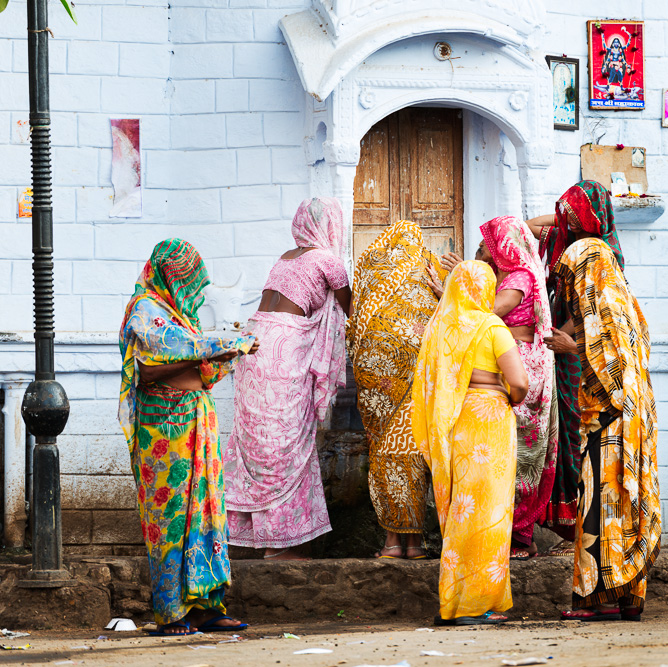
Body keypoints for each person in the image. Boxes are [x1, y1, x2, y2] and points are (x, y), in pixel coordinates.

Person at [119, 238, 257, 636]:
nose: (192, 293)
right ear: (169, 275)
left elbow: (193, 363)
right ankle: (171, 611)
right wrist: (217, 347)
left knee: (205, 515)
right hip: (163, 433)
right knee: (170, 521)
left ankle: (206, 606)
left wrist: (218, 355)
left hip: (197, 427)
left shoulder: (178, 317)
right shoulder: (145, 311)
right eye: (188, 282)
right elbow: (151, 367)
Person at [223, 198, 352, 560]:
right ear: (331, 226)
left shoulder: (286, 257)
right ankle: (282, 546)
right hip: (284, 348)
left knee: (259, 440)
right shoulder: (328, 261)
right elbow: (349, 307)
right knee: (287, 444)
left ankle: (254, 538)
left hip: (255, 343)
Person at [412, 261, 529, 626]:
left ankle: (454, 601)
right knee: (488, 513)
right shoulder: (492, 326)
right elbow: (520, 382)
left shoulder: (439, 327)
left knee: (461, 511)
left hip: (455, 423)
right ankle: (475, 605)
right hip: (488, 421)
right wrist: (508, 398)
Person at [554, 237, 660, 622]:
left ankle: (598, 598)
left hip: (612, 424)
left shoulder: (608, 304)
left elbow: (609, 376)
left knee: (601, 505)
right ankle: (630, 597)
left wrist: (571, 348)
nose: (572, 288)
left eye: (574, 277)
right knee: (626, 503)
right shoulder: (619, 301)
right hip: (633, 420)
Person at [525, 180, 626, 553]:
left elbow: (592, 316)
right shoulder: (563, 239)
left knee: (579, 439)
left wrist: (557, 338)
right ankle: (572, 530)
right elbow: (528, 226)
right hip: (558, 350)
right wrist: (562, 218)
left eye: (575, 212)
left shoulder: (603, 258)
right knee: (561, 436)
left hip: (579, 357)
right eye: (566, 210)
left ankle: (582, 530)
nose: (567, 218)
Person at [349, 220, 448, 559]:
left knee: (385, 456)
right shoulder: (429, 264)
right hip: (418, 380)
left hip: (377, 384)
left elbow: (353, 325)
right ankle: (416, 543)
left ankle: (392, 542)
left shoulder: (369, 266)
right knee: (416, 454)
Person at [478, 216, 558, 560]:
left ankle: (521, 537)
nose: (486, 248)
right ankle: (508, 532)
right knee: (505, 452)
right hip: (512, 364)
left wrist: (446, 292)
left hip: (524, 368)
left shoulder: (519, 277)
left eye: (491, 242)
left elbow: (489, 312)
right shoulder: (507, 275)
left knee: (521, 454)